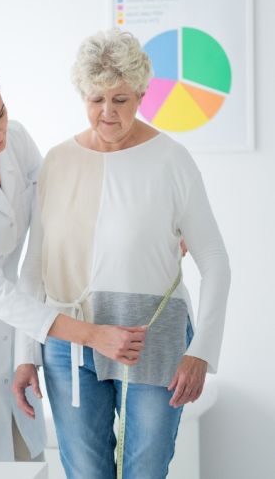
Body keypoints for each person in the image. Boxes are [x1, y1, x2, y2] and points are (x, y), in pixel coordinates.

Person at [0, 57, 148, 462]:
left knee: (24, 462)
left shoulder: (18, 140)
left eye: (0, 114)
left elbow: (55, 221)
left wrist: (145, 232)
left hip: (14, 333)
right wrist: (88, 334)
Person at [13, 30, 231, 478]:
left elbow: (214, 262)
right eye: (96, 99)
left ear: (142, 95)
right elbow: (34, 265)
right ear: (82, 94)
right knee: (86, 473)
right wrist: (24, 354)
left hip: (152, 336)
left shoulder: (171, 160)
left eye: (121, 99)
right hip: (69, 338)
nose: (107, 113)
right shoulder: (57, 161)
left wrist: (202, 351)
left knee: (144, 471)